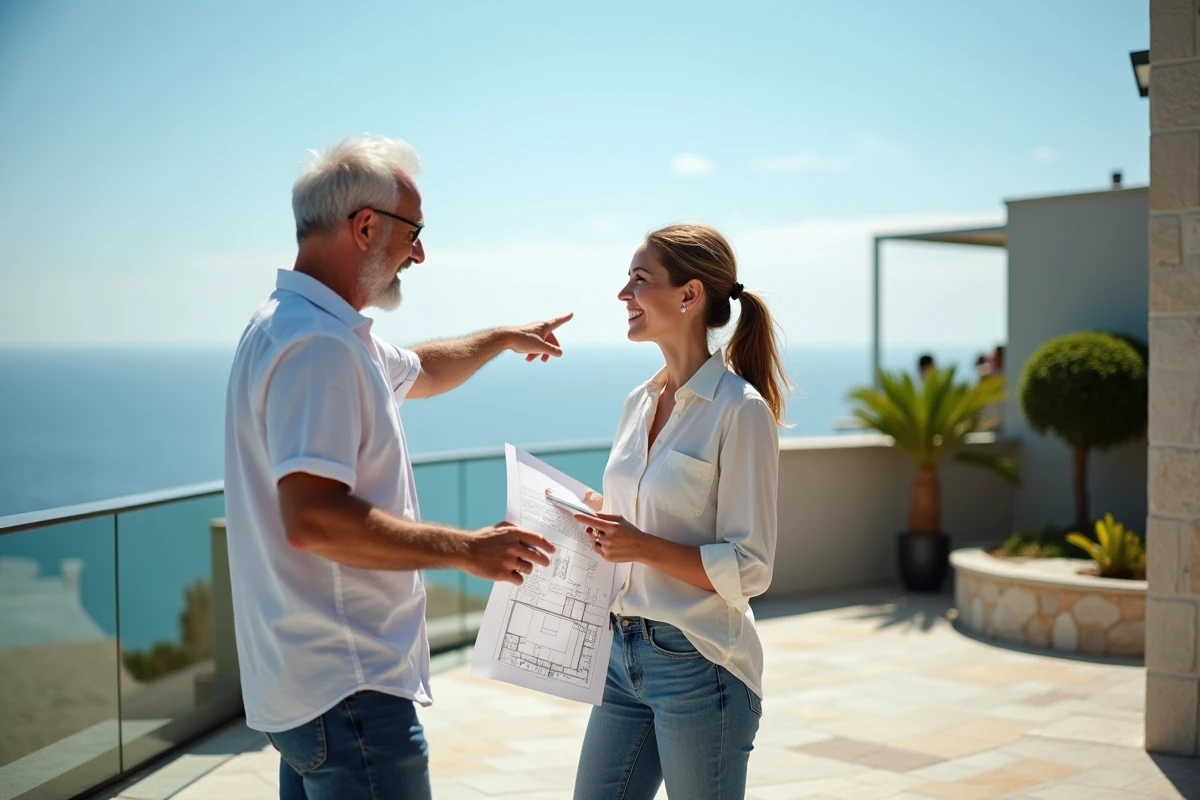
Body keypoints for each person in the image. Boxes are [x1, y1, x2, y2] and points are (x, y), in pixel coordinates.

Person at [224, 135, 567, 800]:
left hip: (307, 689)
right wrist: (467, 549)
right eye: (415, 233)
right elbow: (315, 520)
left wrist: (499, 338)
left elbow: (422, 368)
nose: (420, 253)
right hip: (349, 691)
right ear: (365, 227)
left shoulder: (295, 326)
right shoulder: (320, 346)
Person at [569, 224, 787, 800]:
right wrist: (590, 511)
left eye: (639, 281)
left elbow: (750, 569)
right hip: (622, 656)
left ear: (689, 296)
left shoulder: (740, 413)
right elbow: (639, 513)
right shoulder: (636, 403)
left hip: (700, 663)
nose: (624, 295)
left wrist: (637, 543)